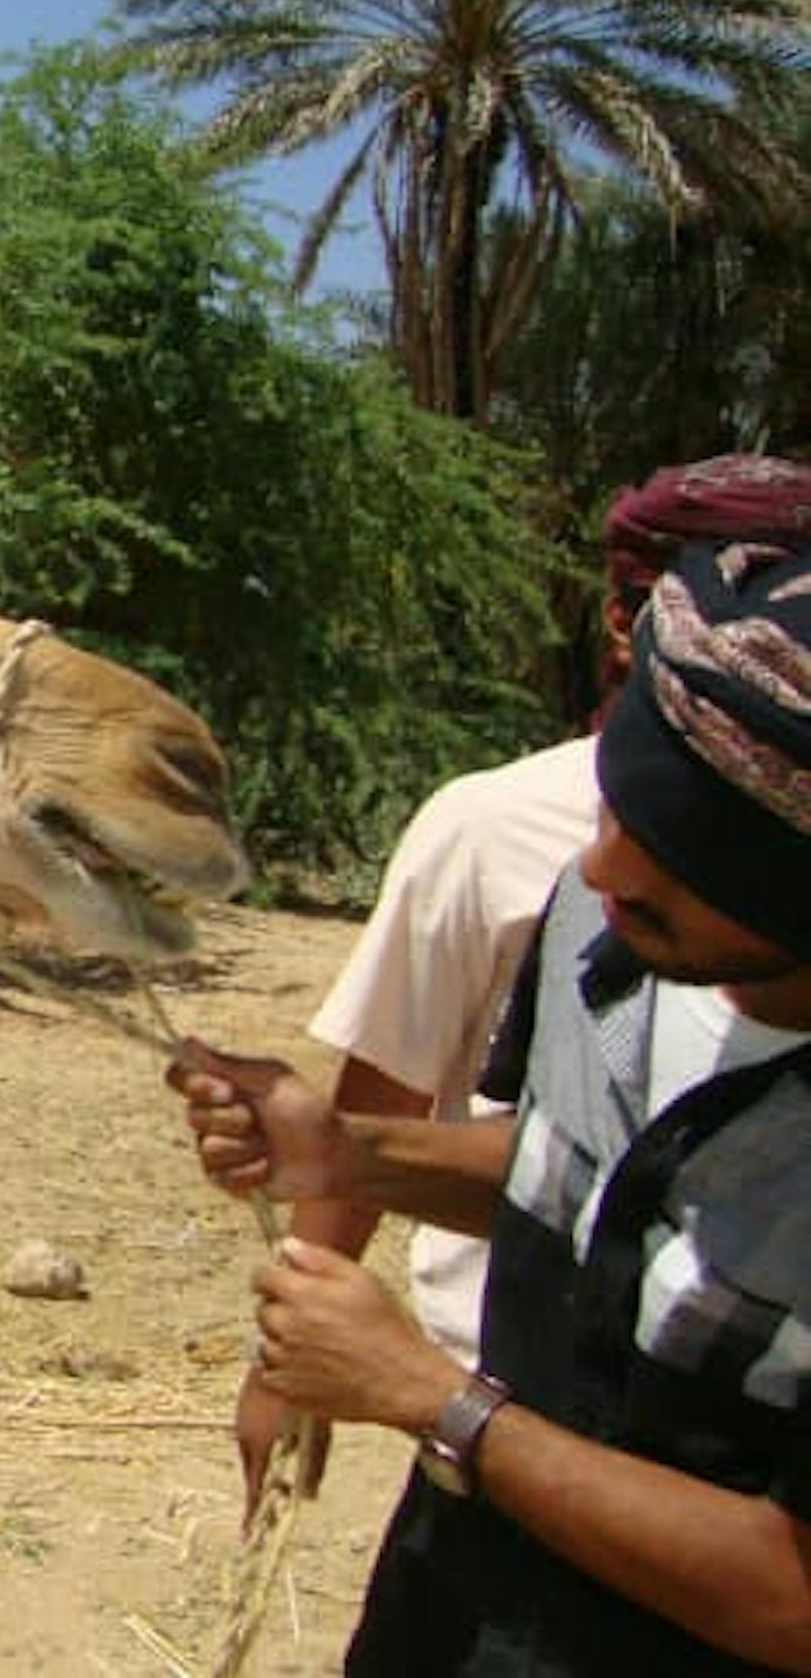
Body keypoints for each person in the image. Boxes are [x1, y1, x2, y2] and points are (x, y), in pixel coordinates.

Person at [169, 538, 811, 1674]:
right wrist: (351, 1154)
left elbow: (789, 1598)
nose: (601, 869)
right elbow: (588, 1172)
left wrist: (433, 1399)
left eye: (668, 847)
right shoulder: (601, 923)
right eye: (612, 806)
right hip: (450, 1610)